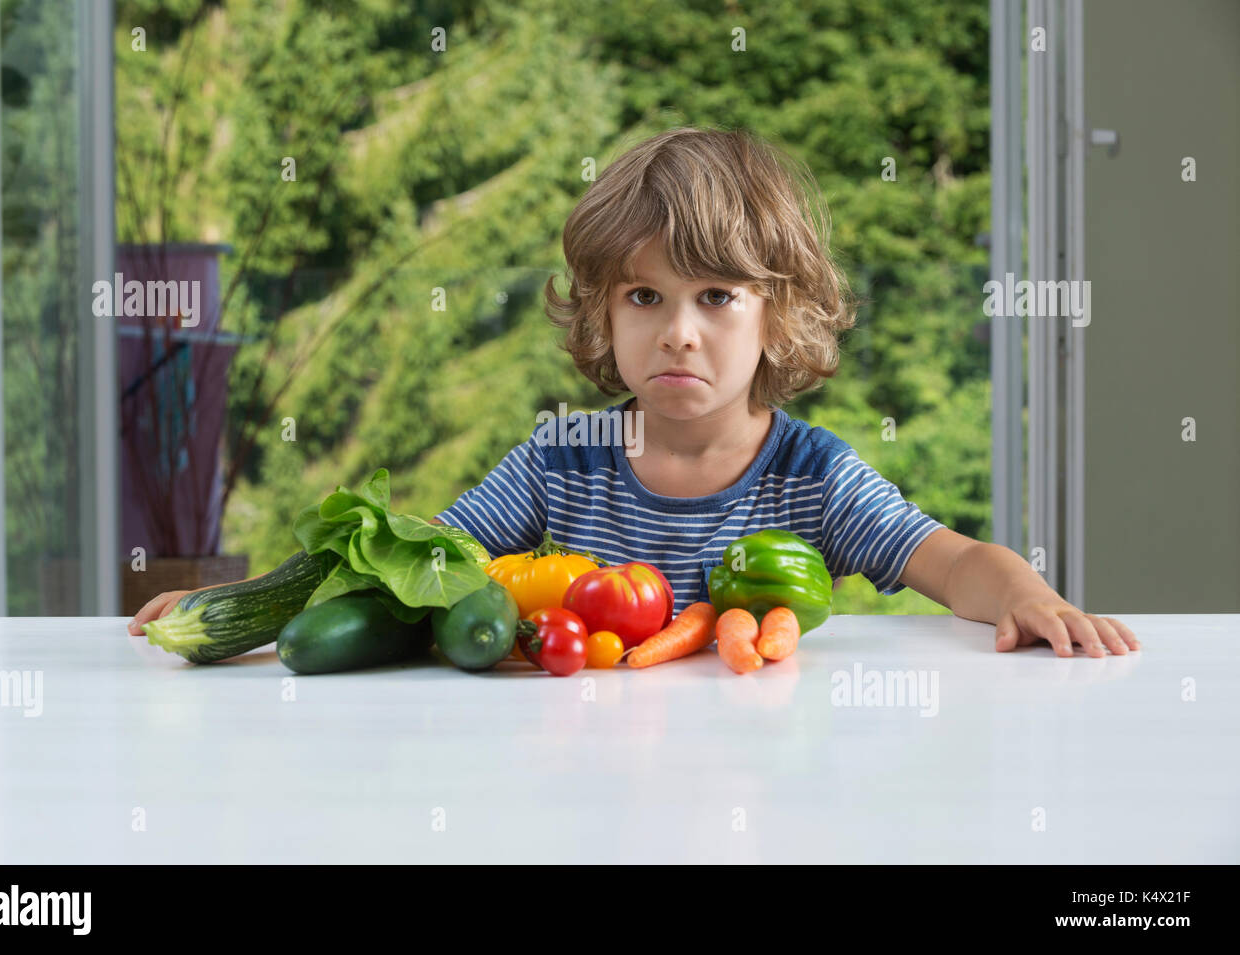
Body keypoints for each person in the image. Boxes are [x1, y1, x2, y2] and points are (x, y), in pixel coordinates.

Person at [132, 126, 1138, 658]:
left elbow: (955, 560)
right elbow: (418, 559)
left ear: (775, 316)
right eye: (645, 295)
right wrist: (243, 607)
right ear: (601, 319)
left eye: (717, 296)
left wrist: (1031, 600)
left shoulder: (812, 477)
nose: (680, 330)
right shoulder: (558, 457)